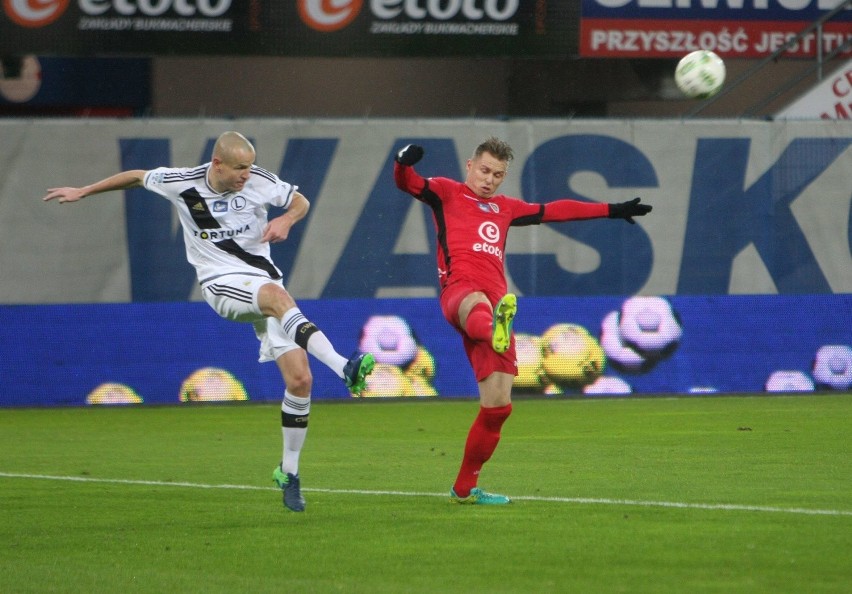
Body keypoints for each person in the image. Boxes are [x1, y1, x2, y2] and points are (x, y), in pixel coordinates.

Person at [43, 131, 375, 513]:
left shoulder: (260, 180)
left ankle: (289, 472)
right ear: (217, 163)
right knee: (279, 299)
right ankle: (344, 366)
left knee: (300, 381)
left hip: (264, 283)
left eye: (249, 167)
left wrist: (287, 219)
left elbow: (300, 200)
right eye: (239, 169)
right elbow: (136, 175)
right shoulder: (181, 182)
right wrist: (83, 191)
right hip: (221, 285)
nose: (246, 176)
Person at [393, 137, 651, 505]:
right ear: (469, 166)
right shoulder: (447, 193)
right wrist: (403, 163)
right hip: (460, 294)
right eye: (484, 170)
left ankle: (465, 487)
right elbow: (408, 182)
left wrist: (611, 209)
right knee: (478, 304)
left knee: (498, 407)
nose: (489, 179)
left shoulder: (505, 209)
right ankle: (493, 328)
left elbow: (556, 211)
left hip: (497, 305)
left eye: (497, 175)